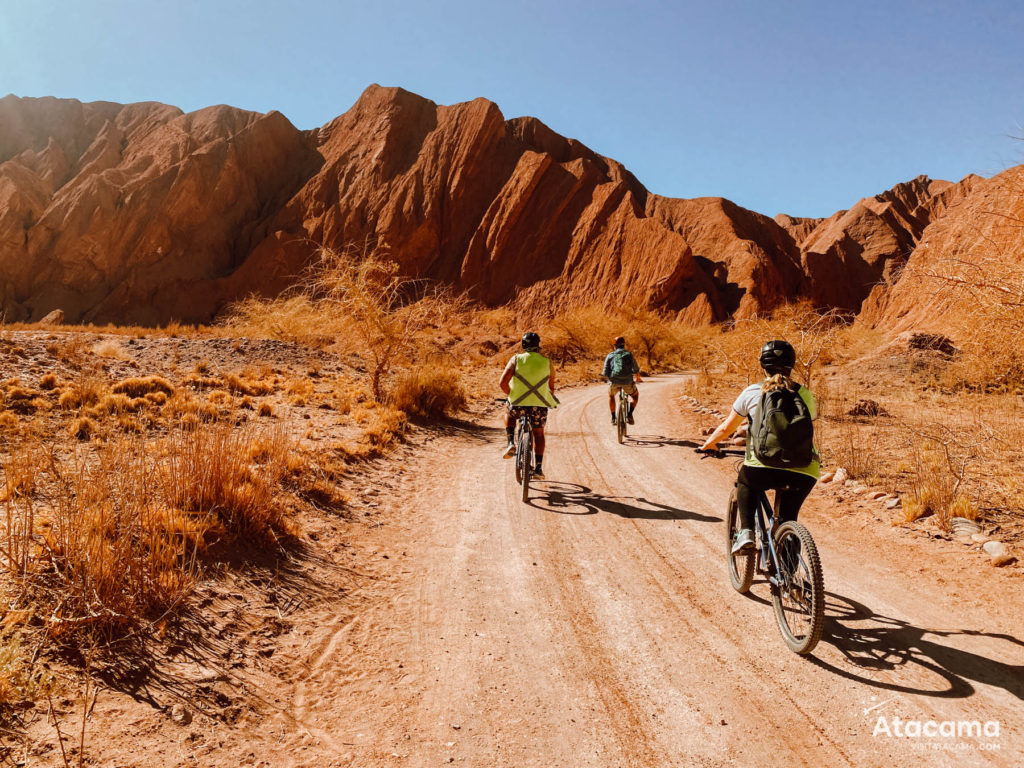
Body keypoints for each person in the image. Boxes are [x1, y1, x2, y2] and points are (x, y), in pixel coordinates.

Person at [699, 340, 820, 554]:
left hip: (762, 464)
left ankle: (746, 533)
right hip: (804, 469)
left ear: (762, 366)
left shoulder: (752, 392)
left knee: (745, 481)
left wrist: (709, 444)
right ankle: (791, 580)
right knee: (788, 517)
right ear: (792, 365)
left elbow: (727, 428)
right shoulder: (806, 395)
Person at [499, 332, 557, 478]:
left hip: (518, 403)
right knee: (538, 433)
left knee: (509, 412)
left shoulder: (516, 359)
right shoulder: (547, 362)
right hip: (539, 405)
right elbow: (551, 388)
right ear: (538, 345)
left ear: (523, 345)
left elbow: (502, 383)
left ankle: (511, 442)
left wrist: (510, 396)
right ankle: (538, 467)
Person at [602, 336, 641, 425]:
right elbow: (635, 369)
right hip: (628, 381)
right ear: (624, 345)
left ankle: (613, 418)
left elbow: (605, 371)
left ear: (614, 346)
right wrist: (637, 378)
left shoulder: (610, 355)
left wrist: (607, 379)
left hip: (614, 382)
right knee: (635, 396)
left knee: (611, 396)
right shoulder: (629, 354)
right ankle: (630, 414)